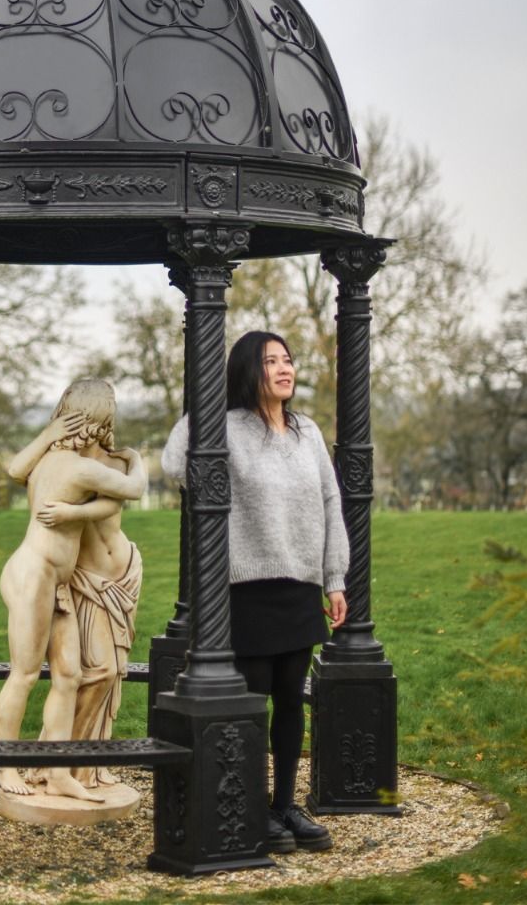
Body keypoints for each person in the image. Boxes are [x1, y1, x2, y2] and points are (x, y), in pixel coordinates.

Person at [161, 330, 349, 854]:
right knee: (254, 701)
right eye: (271, 361)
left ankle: (284, 805)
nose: (285, 369)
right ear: (248, 370)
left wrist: (334, 578)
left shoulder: (307, 431)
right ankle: (249, 805)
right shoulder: (224, 428)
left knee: (291, 701)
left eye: (288, 360)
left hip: (300, 584)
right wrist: (207, 403)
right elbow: (175, 465)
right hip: (246, 587)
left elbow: (331, 501)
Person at [0, 379, 146, 800]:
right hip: (34, 575)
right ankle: (6, 768)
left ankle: (59, 772)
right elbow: (134, 489)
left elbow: (16, 469)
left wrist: (48, 435)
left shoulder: (45, 459)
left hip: (55, 580)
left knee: (69, 675)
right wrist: (136, 458)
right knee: (24, 674)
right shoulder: (78, 468)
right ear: (99, 419)